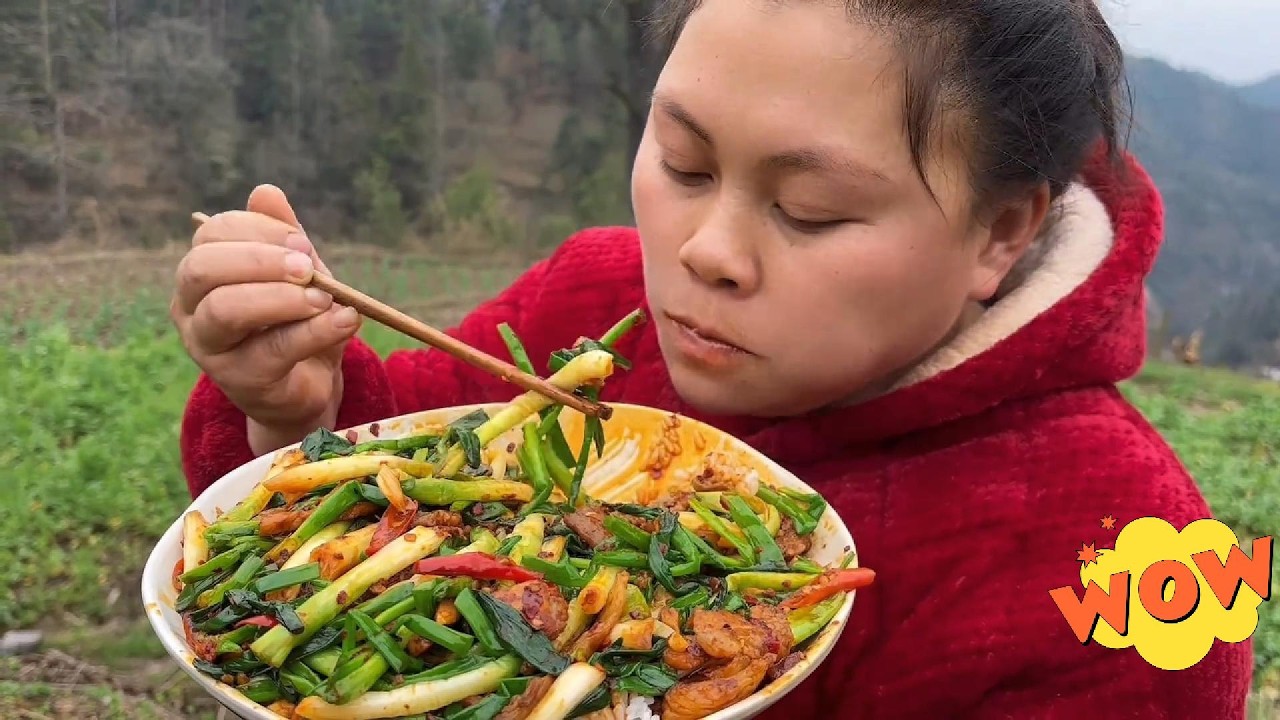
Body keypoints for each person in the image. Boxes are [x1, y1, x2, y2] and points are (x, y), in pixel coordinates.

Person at [172, 1, 1253, 717]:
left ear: (1001, 232)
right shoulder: (594, 308)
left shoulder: (1133, 570)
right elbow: (381, 467)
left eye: (809, 210)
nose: (705, 253)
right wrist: (289, 409)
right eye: (682, 162)